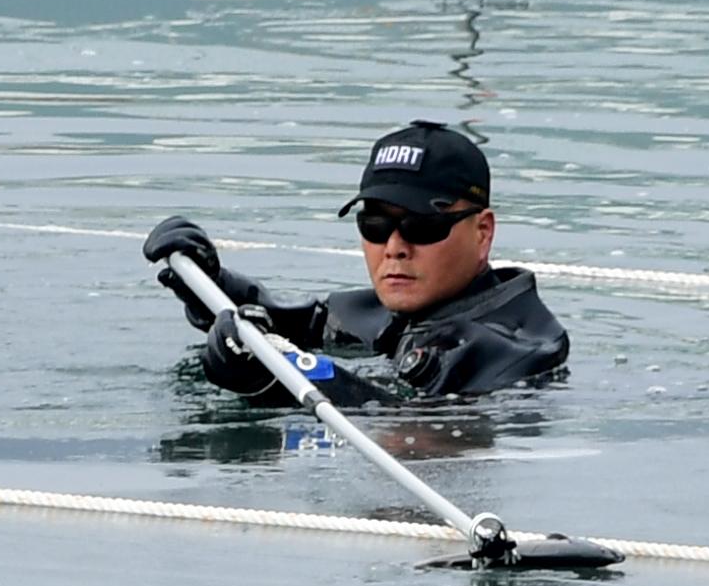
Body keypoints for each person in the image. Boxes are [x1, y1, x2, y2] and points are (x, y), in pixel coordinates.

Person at [145, 121, 571, 406]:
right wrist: (208, 281)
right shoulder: (389, 312)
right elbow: (290, 320)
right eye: (375, 224)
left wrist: (268, 379)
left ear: (482, 233)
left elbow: (398, 416)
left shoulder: (507, 348)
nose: (394, 246)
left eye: (422, 226)